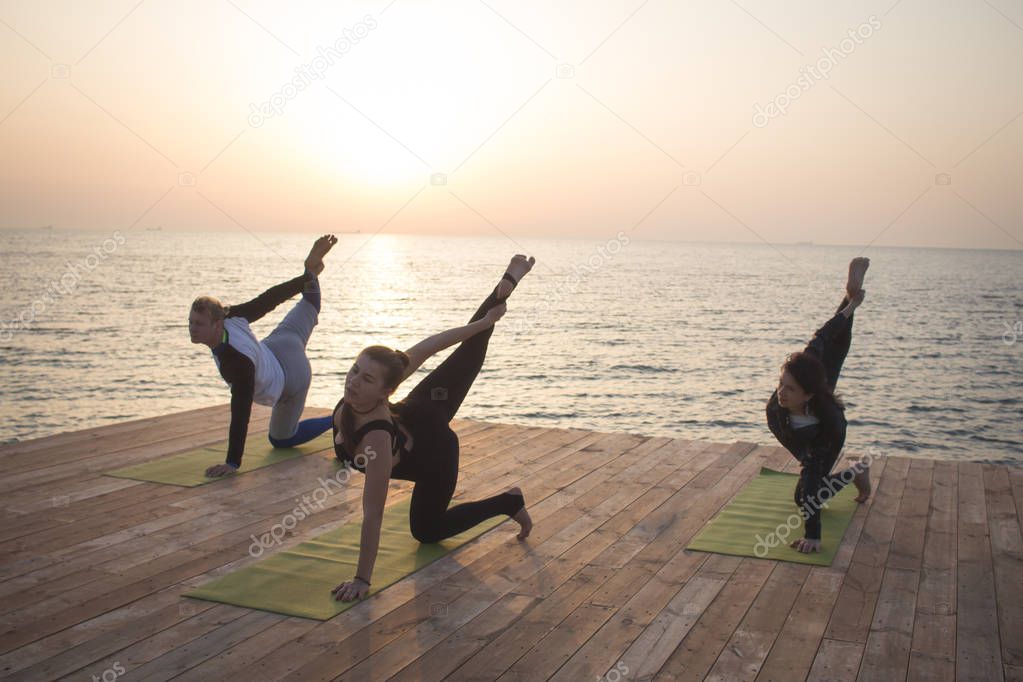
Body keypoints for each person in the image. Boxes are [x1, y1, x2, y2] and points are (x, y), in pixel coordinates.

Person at [330, 255, 535, 603]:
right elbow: (433, 344)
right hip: (422, 407)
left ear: (383, 392)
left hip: (436, 451)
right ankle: (505, 285)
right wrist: (483, 322)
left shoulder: (377, 441)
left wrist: (362, 578)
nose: (353, 383)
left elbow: (373, 514)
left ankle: (508, 502)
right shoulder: (364, 394)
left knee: (426, 532)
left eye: (366, 379)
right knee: (469, 351)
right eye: (354, 370)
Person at [188, 234, 337, 477]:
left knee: (281, 439)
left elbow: (241, 412)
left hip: (291, 378)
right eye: (191, 322)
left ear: (216, 324)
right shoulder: (232, 316)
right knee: (310, 305)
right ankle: (311, 270)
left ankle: (337, 418)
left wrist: (232, 462)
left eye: (199, 323)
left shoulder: (235, 363)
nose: (192, 328)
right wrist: (306, 278)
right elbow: (268, 299)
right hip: (283, 342)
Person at [766, 257, 872, 553]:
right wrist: (851, 305)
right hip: (812, 393)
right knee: (831, 345)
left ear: (808, 394)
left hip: (825, 430)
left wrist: (813, 535)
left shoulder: (827, 427)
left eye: (789, 390)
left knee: (807, 495)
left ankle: (856, 471)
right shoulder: (800, 372)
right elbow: (823, 334)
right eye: (780, 385)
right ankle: (850, 293)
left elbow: (811, 485)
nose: (780, 394)